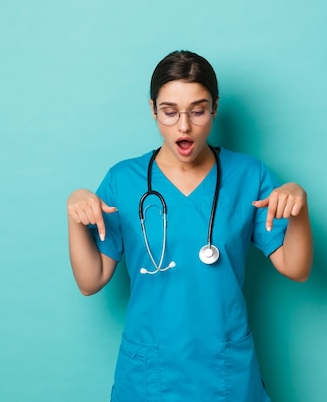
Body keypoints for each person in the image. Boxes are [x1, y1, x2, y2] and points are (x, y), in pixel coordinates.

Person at [66, 50, 313, 402]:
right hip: (151, 371)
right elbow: (91, 281)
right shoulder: (124, 180)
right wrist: (73, 214)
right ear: (153, 109)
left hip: (224, 367)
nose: (184, 126)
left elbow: (296, 268)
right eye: (169, 112)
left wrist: (299, 207)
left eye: (198, 110)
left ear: (214, 108)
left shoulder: (248, 175)